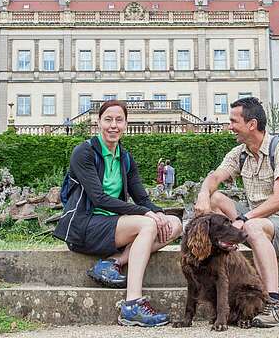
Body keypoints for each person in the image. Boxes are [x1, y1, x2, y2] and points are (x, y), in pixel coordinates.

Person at [54, 100, 183, 327]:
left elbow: (142, 198)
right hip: (85, 225)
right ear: (99, 122)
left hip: (115, 226)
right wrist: (146, 215)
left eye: (119, 120)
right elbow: (99, 199)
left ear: (125, 124)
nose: (113, 125)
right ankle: (132, 304)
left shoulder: (125, 157)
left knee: (174, 224)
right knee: (147, 224)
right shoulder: (84, 152)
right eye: (108, 120)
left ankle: (114, 262)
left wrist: (159, 214)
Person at [194, 96, 279, 328]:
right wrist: (204, 194)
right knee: (216, 198)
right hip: (256, 221)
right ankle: (217, 259)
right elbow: (215, 177)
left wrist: (244, 219)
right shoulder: (240, 153)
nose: (229, 126)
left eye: (234, 121)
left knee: (253, 226)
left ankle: (273, 305)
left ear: (251, 124)